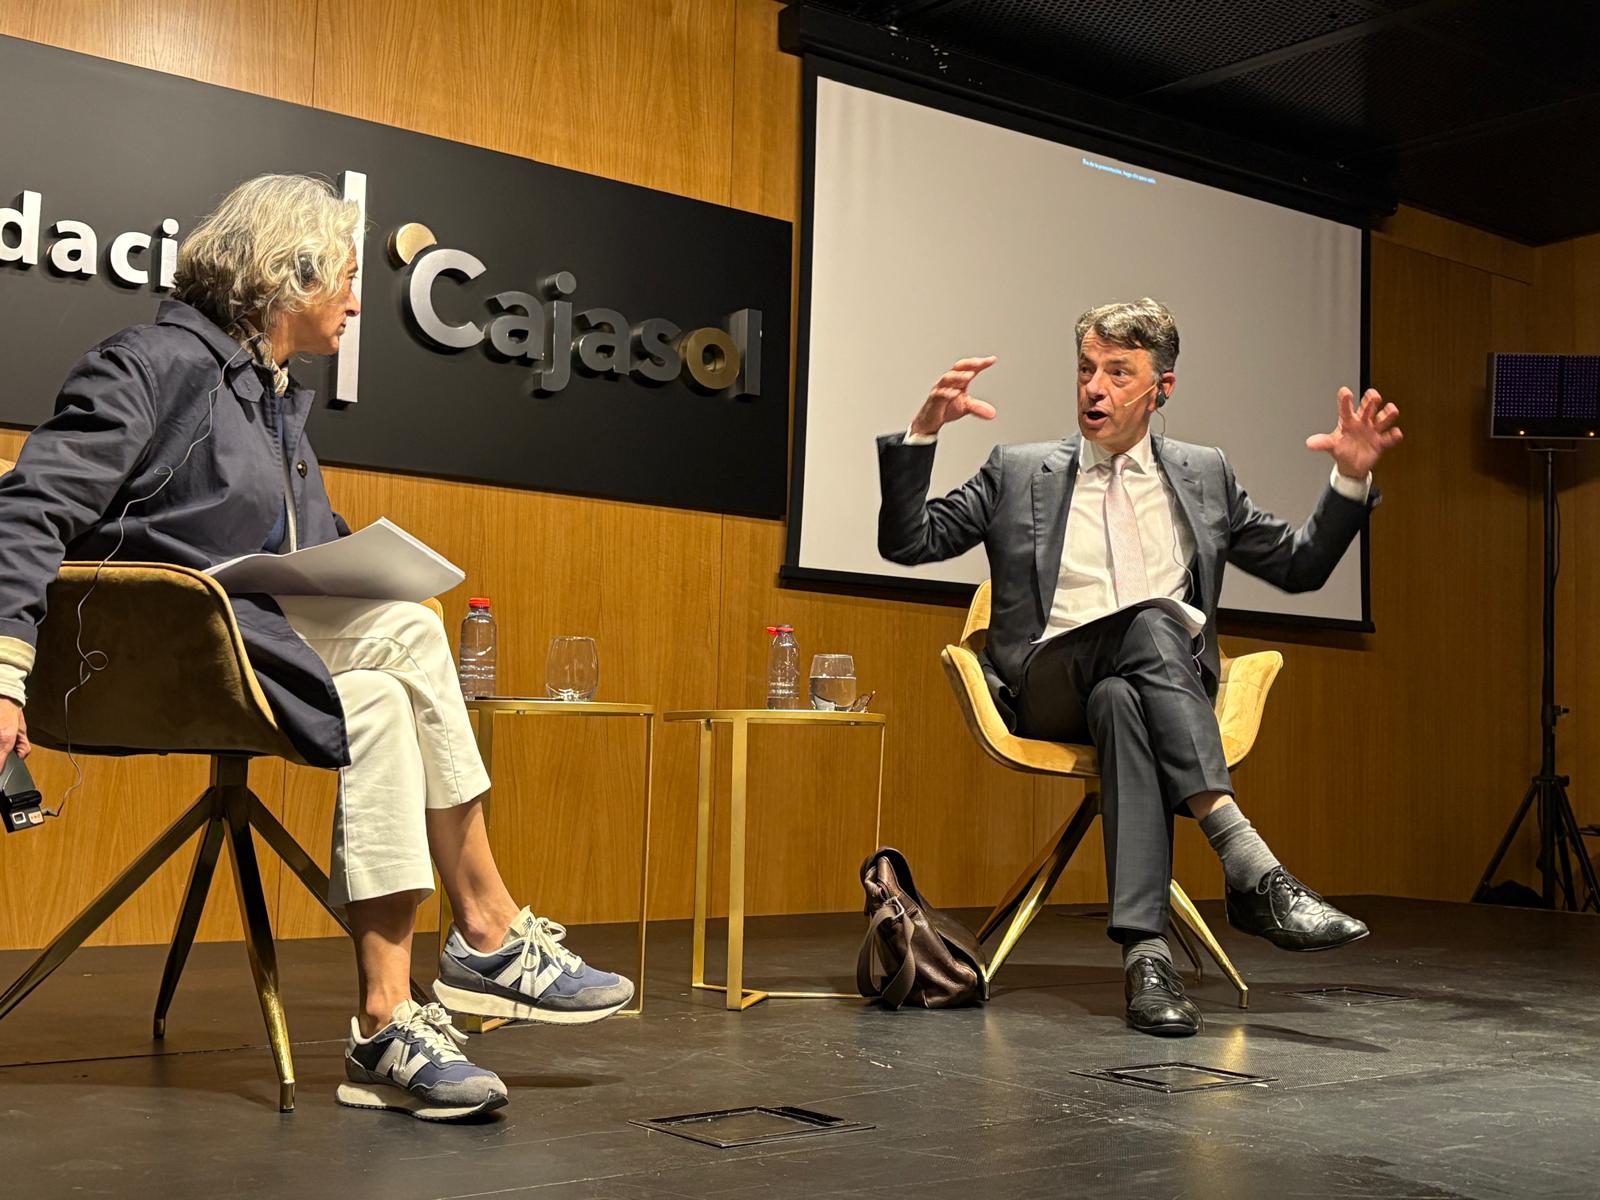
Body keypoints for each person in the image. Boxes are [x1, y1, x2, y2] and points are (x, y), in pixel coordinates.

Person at [0, 174, 632, 1119]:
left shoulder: (276, 401)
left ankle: (385, 1021)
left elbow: (304, 554)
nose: (354, 298)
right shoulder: (149, 364)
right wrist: (3, 672)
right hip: (141, 662)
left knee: (381, 696)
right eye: (341, 275)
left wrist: (363, 566)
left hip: (252, 647)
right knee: (415, 631)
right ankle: (488, 932)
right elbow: (27, 507)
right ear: (283, 275)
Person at [877, 297, 1401, 1037]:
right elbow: (910, 543)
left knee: (1125, 697)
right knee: (1156, 622)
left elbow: (1299, 567)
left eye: (1118, 372)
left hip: (1155, 694)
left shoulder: (1204, 474)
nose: (1095, 387)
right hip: (1046, 683)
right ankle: (1246, 860)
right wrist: (922, 434)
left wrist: (1348, 481)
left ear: (1163, 388)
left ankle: (1146, 960)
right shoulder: (1019, 470)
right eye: (1086, 369)